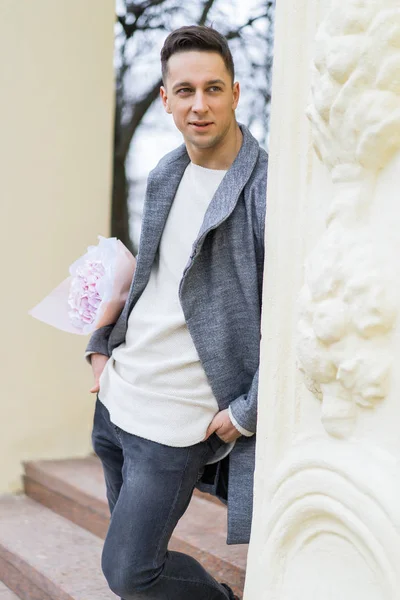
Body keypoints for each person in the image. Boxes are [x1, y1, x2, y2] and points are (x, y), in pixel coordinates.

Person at [87, 24, 267, 600]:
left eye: (213, 88)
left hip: (178, 421)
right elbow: (149, 279)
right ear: (166, 99)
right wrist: (100, 345)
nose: (199, 104)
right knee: (140, 564)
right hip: (118, 398)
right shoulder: (167, 171)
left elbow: (296, 314)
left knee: (131, 573)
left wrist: (247, 411)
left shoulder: (268, 191)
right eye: (184, 90)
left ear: (236, 94)